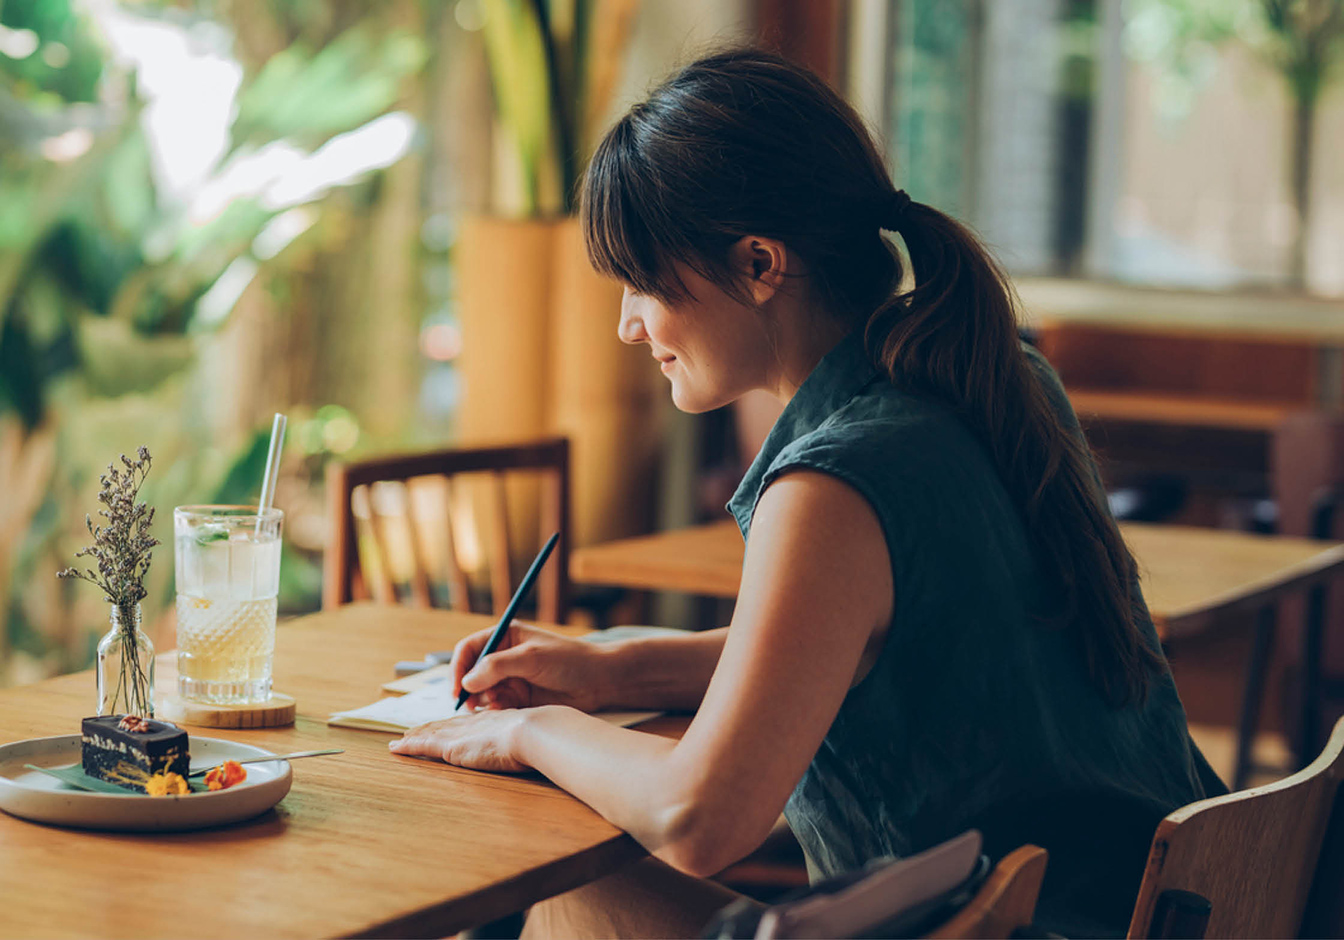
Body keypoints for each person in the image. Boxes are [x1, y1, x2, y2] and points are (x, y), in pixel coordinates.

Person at [390, 48, 1225, 937]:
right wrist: (611, 669)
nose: (630, 325)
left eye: (641, 281)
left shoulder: (834, 483)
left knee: (562, 884)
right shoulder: (994, 381)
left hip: (1011, 924)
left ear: (758, 265)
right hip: (1160, 902)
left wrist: (524, 735)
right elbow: (867, 646)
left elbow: (698, 818)